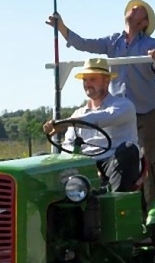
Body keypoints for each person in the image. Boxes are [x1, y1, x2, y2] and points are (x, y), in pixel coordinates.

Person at [48, 0, 155, 196]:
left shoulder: (151, 44)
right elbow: (85, 44)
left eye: (137, 10)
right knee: (110, 155)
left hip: (144, 112)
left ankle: (150, 206)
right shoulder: (113, 41)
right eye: (131, 8)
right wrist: (62, 28)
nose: (131, 9)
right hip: (116, 113)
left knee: (147, 161)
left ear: (144, 22)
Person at [43, 58, 141, 192]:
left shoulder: (124, 106)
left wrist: (66, 123)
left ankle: (115, 199)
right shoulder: (78, 113)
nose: (87, 84)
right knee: (42, 159)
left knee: (129, 149)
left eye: (93, 79)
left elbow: (103, 118)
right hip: (84, 163)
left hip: (111, 161)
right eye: (85, 80)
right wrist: (87, 167)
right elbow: (68, 145)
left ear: (107, 80)